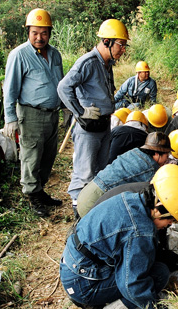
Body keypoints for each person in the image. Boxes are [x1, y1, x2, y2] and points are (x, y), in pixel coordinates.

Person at [60, 165, 178, 308]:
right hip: (84, 284)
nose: (169, 224)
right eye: (169, 220)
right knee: (158, 274)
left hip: (73, 265)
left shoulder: (132, 198)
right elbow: (131, 284)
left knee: (150, 265)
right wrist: (152, 306)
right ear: (158, 211)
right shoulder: (140, 230)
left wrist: (177, 260)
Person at [58, 19, 129, 213]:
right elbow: (63, 87)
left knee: (100, 168)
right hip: (89, 127)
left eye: (124, 45)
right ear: (107, 41)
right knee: (84, 171)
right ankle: (78, 209)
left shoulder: (107, 64)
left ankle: (93, 206)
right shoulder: (87, 62)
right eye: (120, 45)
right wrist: (80, 111)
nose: (123, 49)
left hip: (104, 124)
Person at [2, 8, 64, 217]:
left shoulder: (55, 54)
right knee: (31, 156)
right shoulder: (19, 55)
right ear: (28, 32)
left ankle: (40, 190)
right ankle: (31, 195)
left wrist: (66, 109)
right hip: (31, 115)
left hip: (52, 113)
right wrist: (10, 118)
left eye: (44, 32)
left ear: (49, 32)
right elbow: (9, 89)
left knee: (48, 156)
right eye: (35, 32)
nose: (39, 37)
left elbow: (61, 84)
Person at [76, 132, 172, 218]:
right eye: (166, 156)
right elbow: (150, 199)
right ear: (156, 154)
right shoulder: (150, 167)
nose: (166, 160)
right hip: (94, 203)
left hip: (85, 194)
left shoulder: (135, 152)